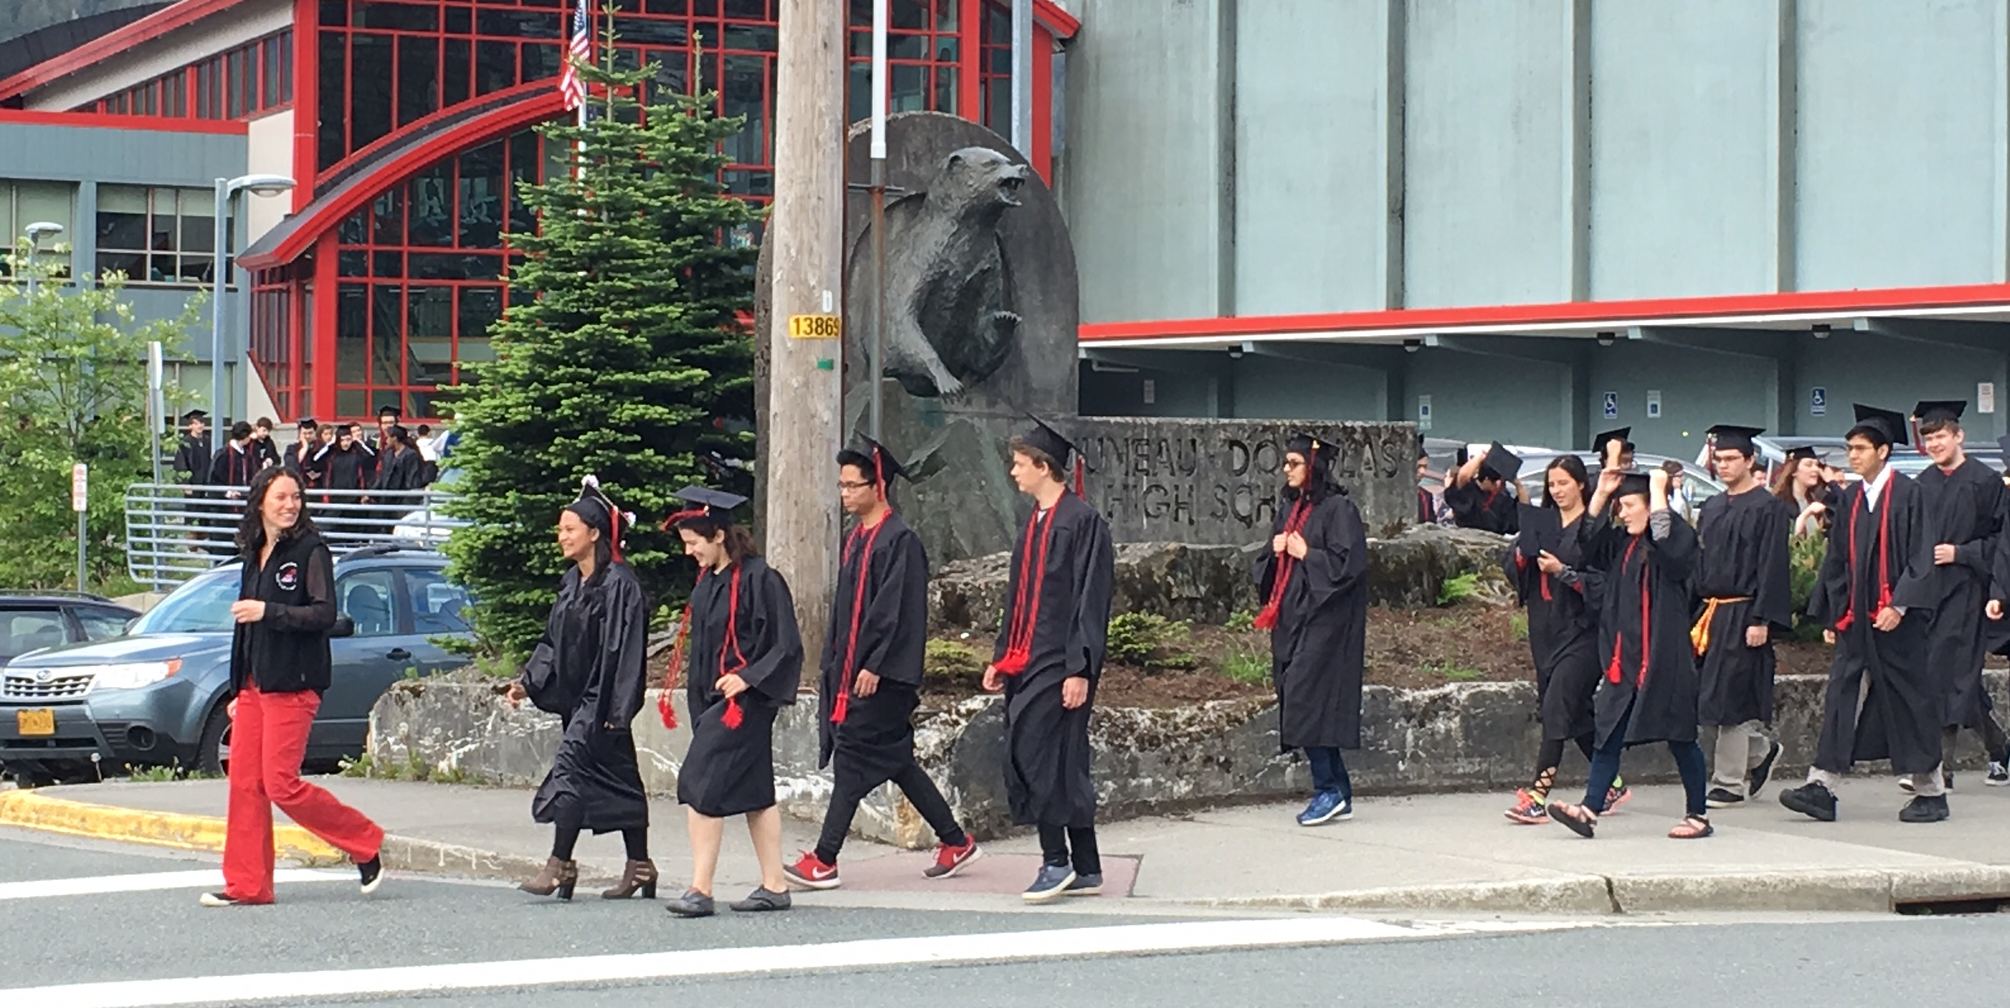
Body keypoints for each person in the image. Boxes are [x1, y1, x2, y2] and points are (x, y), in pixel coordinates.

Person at [785, 438, 981, 891]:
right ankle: (955, 841)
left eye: (853, 486)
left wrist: (874, 664)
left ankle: (825, 858)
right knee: (896, 761)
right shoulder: (857, 539)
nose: (845, 494)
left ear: (879, 487)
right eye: (842, 486)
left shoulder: (900, 541)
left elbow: (899, 612)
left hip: (882, 677)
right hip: (852, 672)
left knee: (853, 755)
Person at [200, 467, 385, 906]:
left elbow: (324, 615)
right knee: (244, 784)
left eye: (296, 497)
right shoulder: (254, 551)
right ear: (260, 500)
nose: (290, 505)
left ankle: (365, 841)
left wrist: (270, 611)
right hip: (253, 687)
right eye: (281, 497)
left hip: (294, 682)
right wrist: (237, 689)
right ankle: (247, 885)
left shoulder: (312, 551)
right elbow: (244, 630)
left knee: (281, 783)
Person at [1779, 404, 1948, 824]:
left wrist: (1899, 604)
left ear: (1884, 451)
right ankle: (1822, 786)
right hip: (1857, 620)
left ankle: (1932, 791)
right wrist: (1835, 614)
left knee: (1910, 700)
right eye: (1849, 449)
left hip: (1899, 622)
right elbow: (1838, 561)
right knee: (1842, 696)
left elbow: (1920, 556)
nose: (1852, 456)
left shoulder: (1910, 494)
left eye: (1859, 448)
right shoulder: (1852, 497)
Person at [981, 417, 1115, 903]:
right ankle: (1086, 866)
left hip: (1061, 661)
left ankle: (1054, 860)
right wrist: (1001, 657)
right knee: (1058, 759)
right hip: (1026, 658)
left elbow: (1090, 600)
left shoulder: (1082, 522)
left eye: (1020, 464)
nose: (1013, 472)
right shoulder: (1034, 523)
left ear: (1044, 466)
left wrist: (1080, 667)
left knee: (1039, 755)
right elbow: (1016, 598)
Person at [504, 477, 655, 902]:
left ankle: (560, 864)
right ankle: (640, 866)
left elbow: (626, 653)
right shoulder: (572, 582)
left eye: (569, 529)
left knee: (569, 769)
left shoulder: (620, 584)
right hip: (578, 700)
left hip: (604, 700)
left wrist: (618, 709)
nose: (562, 536)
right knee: (621, 778)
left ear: (594, 533)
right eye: (560, 529)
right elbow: (552, 642)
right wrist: (527, 682)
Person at [1547, 468, 1713, 840]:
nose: (1622, 514)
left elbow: (1671, 551)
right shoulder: (1625, 545)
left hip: (1664, 661)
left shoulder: (1676, 539)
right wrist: (1602, 495)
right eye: (1620, 507)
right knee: (1607, 733)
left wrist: (1658, 491)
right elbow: (1586, 545)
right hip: (1627, 661)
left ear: (1651, 506)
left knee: (1682, 738)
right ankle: (1589, 810)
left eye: (1628, 505)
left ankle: (1698, 816)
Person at [663, 486, 804, 918]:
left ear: (719, 535)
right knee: (755, 792)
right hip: (712, 702)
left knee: (700, 782)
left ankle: (700, 889)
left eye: (694, 543)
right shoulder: (708, 582)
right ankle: (775, 886)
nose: (690, 553)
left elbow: (785, 644)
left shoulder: (762, 579)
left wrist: (746, 677)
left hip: (746, 703)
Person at [1502, 456, 1631, 824]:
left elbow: (1604, 583)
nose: (1558, 491)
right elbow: (1514, 570)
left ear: (1580, 484)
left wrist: (1564, 572)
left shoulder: (1596, 531)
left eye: (1564, 483)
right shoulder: (1542, 523)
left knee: (1557, 706)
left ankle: (1537, 794)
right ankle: (1612, 783)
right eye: (1552, 484)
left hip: (1584, 632)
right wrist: (1522, 557)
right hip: (1545, 629)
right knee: (1573, 713)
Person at [1255, 432, 1369, 827]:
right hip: (1291, 618)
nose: (1286, 470)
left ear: (1313, 466)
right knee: (1297, 696)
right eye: (1285, 463)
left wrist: (1307, 553)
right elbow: (1268, 568)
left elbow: (1349, 566)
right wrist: (1274, 552)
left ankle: (1327, 789)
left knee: (1307, 698)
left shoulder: (1339, 510)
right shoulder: (1291, 507)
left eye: (1294, 463)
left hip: (1327, 622)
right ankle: (1339, 789)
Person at [1908, 401, 2010, 791]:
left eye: (1940, 436)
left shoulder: (1985, 482)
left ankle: (1938, 768)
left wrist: (1962, 554)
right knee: (1955, 679)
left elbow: (2003, 542)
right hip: (1930, 591)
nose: (1934, 444)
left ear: (1958, 436)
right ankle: (1999, 747)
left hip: (1969, 591)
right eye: (1929, 438)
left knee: (1946, 675)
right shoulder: (1923, 484)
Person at [1692, 426, 1794, 810]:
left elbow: (1772, 565)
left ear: (1750, 460)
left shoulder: (1767, 507)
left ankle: (1729, 782)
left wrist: (1762, 618)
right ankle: (1760, 752)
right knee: (1707, 698)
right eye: (1719, 459)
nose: (1724, 466)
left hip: (1744, 609)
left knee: (1730, 697)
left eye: (1731, 459)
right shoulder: (1714, 507)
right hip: (1712, 612)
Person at [1443, 442, 1521, 534]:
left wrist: (1519, 485)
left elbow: (1523, 513)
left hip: (1494, 543)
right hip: (1467, 539)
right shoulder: (1469, 490)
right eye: (1496, 482)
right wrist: (1481, 455)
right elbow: (1463, 476)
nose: (1500, 486)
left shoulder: (1503, 498)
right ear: (1486, 479)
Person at [1773, 446, 1832, 537]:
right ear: (1794, 471)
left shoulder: (1816, 499)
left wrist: (1831, 483)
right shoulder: (1779, 504)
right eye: (1809, 465)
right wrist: (1806, 514)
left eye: (1816, 465)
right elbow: (1784, 539)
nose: (1815, 469)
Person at [208, 421, 260, 495]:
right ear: (245, 436)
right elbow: (214, 479)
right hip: (226, 500)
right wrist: (226, 492)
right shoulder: (223, 454)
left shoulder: (246, 454)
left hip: (243, 495)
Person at [285, 419, 324, 490]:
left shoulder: (322, 448)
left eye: (310, 433)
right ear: (299, 434)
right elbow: (291, 466)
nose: (307, 436)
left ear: (315, 433)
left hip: (319, 487)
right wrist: (304, 448)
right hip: (299, 487)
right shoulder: (292, 449)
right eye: (304, 433)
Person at [172, 409, 210, 482]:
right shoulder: (185, 442)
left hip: (206, 481)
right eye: (196, 424)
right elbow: (180, 464)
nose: (199, 426)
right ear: (190, 426)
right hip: (192, 482)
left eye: (201, 423)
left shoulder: (207, 440)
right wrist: (185, 484)